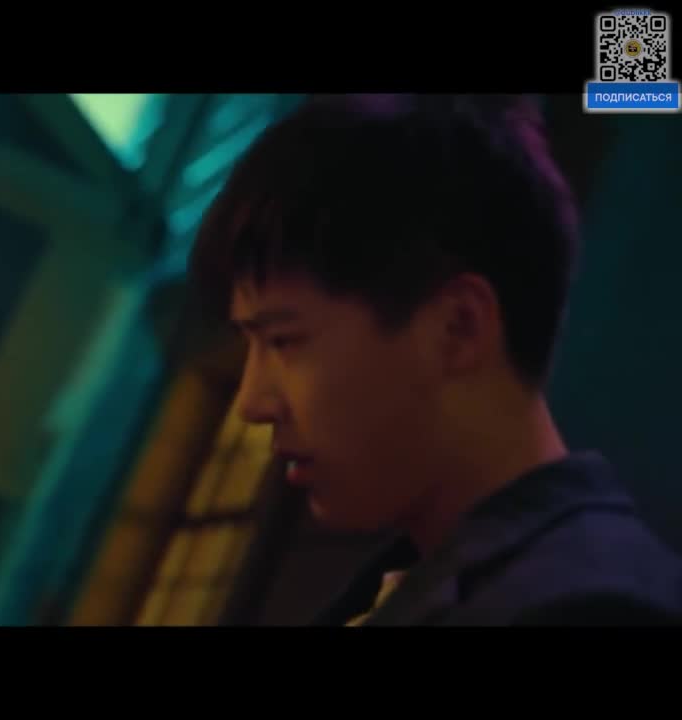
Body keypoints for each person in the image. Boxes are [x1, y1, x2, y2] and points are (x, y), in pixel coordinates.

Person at [189, 94, 682, 625]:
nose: (251, 402)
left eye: (283, 341)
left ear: (458, 327)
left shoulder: (585, 607)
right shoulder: (430, 577)